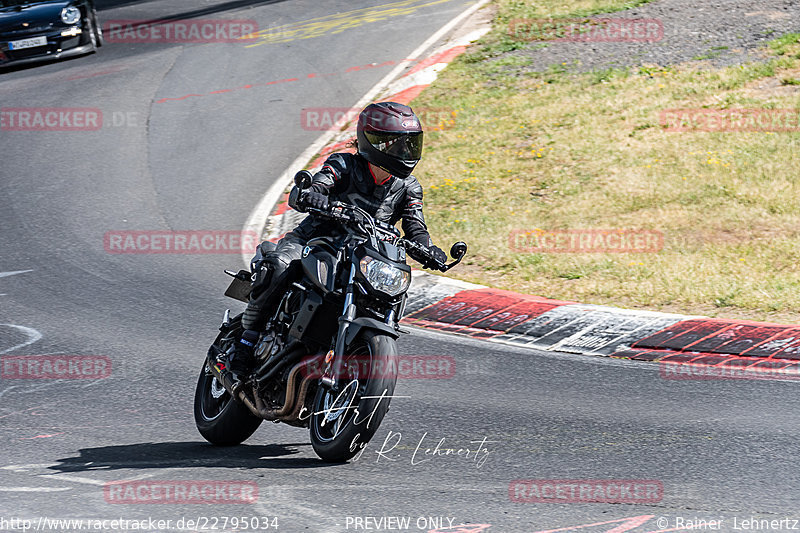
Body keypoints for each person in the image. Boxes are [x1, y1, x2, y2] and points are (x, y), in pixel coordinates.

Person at [228, 101, 448, 384]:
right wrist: (315, 195)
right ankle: (245, 344)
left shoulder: (408, 187)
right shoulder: (342, 164)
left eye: (409, 145)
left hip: (365, 257)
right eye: (395, 145)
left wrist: (429, 248)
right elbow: (313, 187)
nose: (403, 152)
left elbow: (415, 225)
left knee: (388, 293)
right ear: (372, 141)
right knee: (279, 266)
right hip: (316, 242)